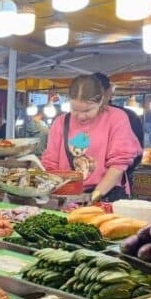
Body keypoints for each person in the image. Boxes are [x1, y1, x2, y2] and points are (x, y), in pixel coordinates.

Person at [42, 74, 142, 203]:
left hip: (107, 195)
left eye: (88, 110)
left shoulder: (116, 118)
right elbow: (51, 164)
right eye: (75, 109)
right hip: (66, 197)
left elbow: (119, 163)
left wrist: (94, 197)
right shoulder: (60, 123)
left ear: (100, 101)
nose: (81, 116)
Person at [93, 73, 144, 188]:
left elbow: (134, 157)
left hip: (115, 188)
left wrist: (117, 172)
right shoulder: (75, 119)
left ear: (108, 92)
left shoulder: (125, 117)